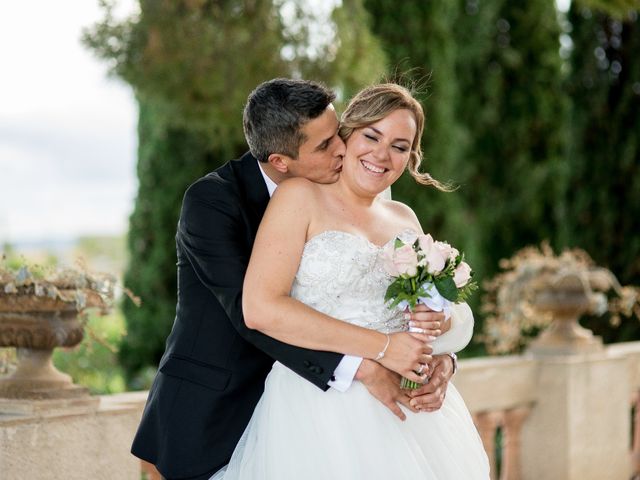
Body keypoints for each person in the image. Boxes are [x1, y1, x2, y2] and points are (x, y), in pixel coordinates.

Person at [131, 79, 474, 480]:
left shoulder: (399, 217)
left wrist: (441, 359)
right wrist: (369, 361)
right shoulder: (219, 202)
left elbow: (418, 311)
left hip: (378, 409)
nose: (343, 148)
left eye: (399, 146)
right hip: (230, 402)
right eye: (328, 144)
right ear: (281, 161)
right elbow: (252, 311)